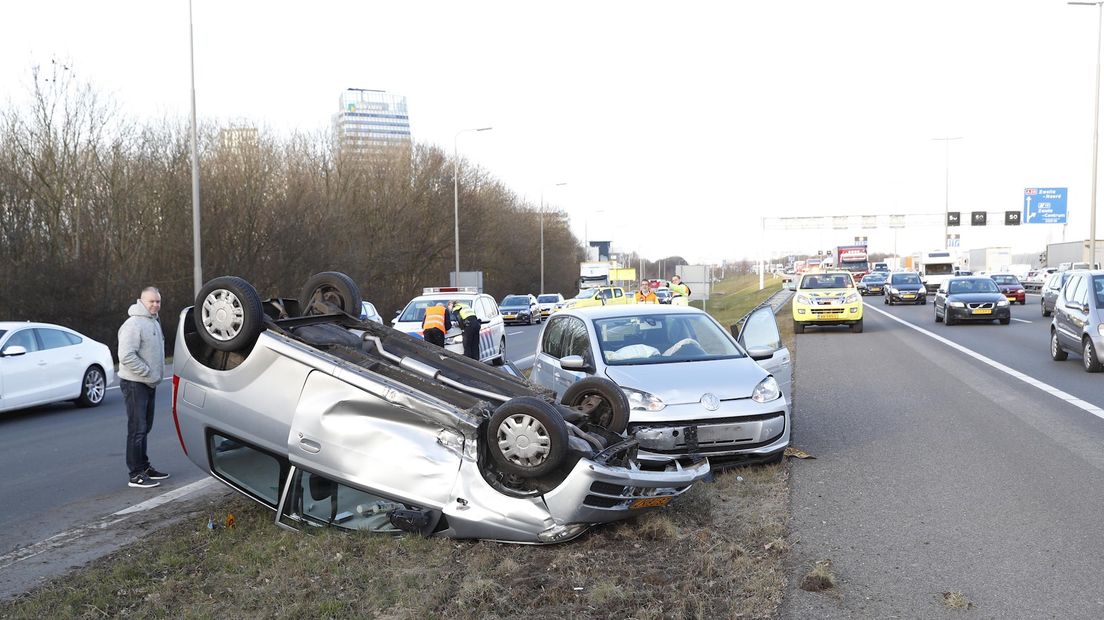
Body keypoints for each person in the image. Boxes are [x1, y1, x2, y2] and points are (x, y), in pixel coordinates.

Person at [118, 286, 168, 489]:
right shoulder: (133, 324)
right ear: (141, 301)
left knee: (145, 428)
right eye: (151, 301)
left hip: (148, 383)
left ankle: (144, 467)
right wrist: (149, 373)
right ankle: (135, 474)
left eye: (157, 301)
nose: (155, 305)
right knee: (137, 429)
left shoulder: (154, 322)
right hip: (135, 383)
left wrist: (153, 377)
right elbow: (126, 355)